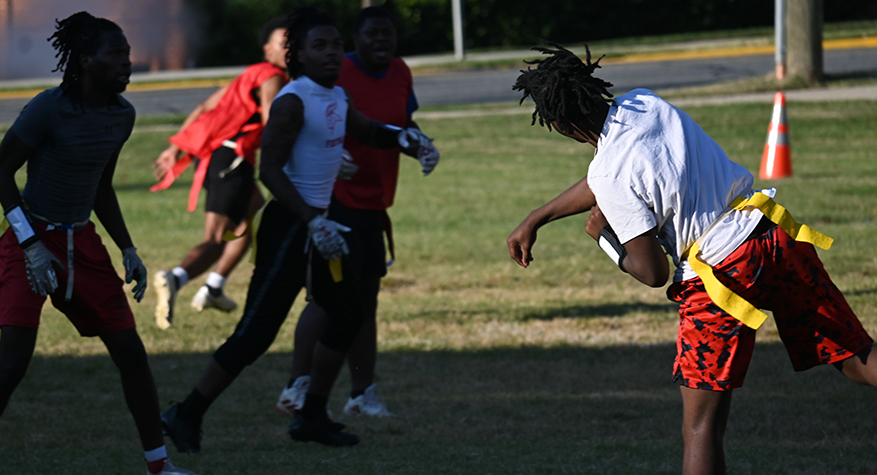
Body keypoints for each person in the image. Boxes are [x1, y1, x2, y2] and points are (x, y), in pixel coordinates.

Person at [505, 42, 877, 475]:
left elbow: (652, 271)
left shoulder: (610, 172)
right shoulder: (643, 102)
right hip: (772, 234)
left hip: (720, 276)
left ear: (561, 125)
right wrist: (539, 217)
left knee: (700, 429)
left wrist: (605, 239)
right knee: (857, 357)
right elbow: (608, 175)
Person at [159, 7, 439, 452]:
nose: (331, 54)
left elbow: (369, 131)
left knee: (346, 315)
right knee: (255, 334)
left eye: (333, 45)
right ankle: (185, 413)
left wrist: (410, 140)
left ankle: (311, 415)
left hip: (322, 227)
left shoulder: (336, 96)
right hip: (292, 227)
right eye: (319, 47)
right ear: (299, 56)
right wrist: (311, 218)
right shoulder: (293, 100)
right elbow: (269, 170)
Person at [0, 12, 197, 475]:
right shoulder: (48, 107)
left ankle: (159, 466)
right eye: (116, 54)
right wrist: (29, 244)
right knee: (11, 362)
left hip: (82, 243)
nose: (128, 62)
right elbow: (1, 171)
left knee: (131, 354)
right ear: (85, 60)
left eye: (128, 54)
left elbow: (101, 186)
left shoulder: (122, 115)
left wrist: (127, 247)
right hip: (31, 237)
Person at [275, 6, 433, 419]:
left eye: (388, 33)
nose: (381, 41)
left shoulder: (400, 72)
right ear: (356, 41)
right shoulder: (332, 72)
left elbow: (400, 123)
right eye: (371, 34)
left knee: (366, 300)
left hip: (375, 200)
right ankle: (298, 384)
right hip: (338, 199)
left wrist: (417, 143)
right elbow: (310, 127)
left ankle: (362, 392)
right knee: (328, 300)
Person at [150, 16, 289, 329]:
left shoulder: (250, 74)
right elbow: (273, 121)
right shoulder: (273, 76)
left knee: (250, 211)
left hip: (216, 156)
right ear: (268, 50)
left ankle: (213, 288)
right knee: (215, 238)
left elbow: (203, 109)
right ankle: (176, 278)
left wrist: (175, 149)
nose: (291, 49)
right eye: (285, 44)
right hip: (232, 160)